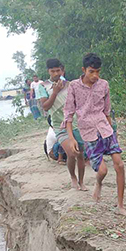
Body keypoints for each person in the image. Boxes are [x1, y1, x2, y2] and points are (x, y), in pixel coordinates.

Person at [63, 53, 126, 216]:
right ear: (83, 70)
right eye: (91, 71)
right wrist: (71, 139)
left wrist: (114, 132)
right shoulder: (73, 86)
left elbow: (106, 111)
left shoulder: (104, 85)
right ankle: (98, 183)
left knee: (119, 165)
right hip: (88, 133)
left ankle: (120, 206)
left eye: (98, 72)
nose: (95, 76)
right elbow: (68, 115)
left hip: (105, 129)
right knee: (102, 171)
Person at [37, 59, 87, 190]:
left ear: (62, 70)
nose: (55, 73)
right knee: (71, 153)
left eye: (58, 70)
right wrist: (54, 92)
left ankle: (82, 181)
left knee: (80, 154)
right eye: (52, 71)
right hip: (60, 126)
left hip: (75, 124)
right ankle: (73, 178)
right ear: (48, 71)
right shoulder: (43, 87)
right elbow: (46, 107)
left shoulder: (70, 85)